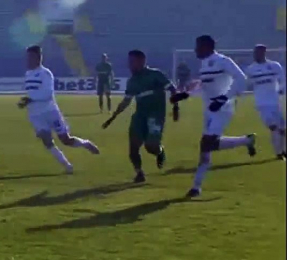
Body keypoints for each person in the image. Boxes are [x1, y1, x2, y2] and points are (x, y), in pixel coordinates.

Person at [170, 35, 256, 197]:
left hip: (223, 109)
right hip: (209, 109)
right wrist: (185, 95)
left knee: (206, 144)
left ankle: (196, 187)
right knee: (207, 146)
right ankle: (247, 140)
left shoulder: (224, 61)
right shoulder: (204, 64)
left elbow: (242, 80)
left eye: (198, 46)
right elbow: (205, 87)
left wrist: (224, 98)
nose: (195, 50)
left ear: (207, 47)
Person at [18, 45, 100, 174]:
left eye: (30, 57)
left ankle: (85, 143)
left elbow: (47, 94)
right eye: (27, 57)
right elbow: (32, 92)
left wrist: (30, 99)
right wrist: (25, 101)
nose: (27, 60)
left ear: (38, 57)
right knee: (46, 140)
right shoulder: (28, 74)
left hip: (50, 112)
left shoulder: (46, 74)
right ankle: (67, 165)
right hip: (35, 114)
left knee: (66, 140)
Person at [102, 50, 179, 182]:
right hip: (139, 116)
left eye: (132, 62)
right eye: (129, 62)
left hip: (155, 116)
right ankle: (139, 173)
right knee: (133, 147)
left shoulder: (156, 75)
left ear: (142, 61)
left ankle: (159, 151)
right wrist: (113, 117)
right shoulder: (132, 81)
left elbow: (172, 89)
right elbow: (126, 101)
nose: (129, 65)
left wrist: (176, 106)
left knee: (151, 146)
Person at [245, 45, 285, 160]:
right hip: (262, 104)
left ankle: (281, 152)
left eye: (258, 52)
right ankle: (279, 152)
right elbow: (247, 83)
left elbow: (282, 80)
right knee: (273, 127)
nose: (256, 55)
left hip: (275, 103)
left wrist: (281, 89)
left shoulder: (274, 66)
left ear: (264, 53)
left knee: (281, 129)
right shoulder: (250, 69)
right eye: (255, 52)